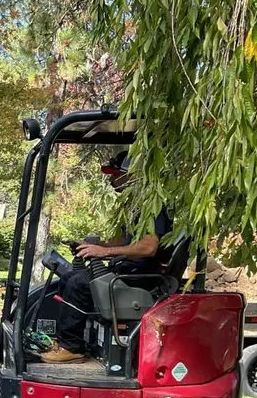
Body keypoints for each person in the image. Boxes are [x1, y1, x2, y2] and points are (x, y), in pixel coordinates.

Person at [43, 155, 173, 363]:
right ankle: (67, 340)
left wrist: (104, 253)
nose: (110, 180)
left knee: (79, 283)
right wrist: (95, 247)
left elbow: (149, 247)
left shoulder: (153, 206)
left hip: (140, 278)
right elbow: (122, 242)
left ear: (132, 177)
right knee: (69, 278)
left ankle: (72, 347)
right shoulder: (135, 207)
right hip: (124, 272)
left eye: (115, 175)